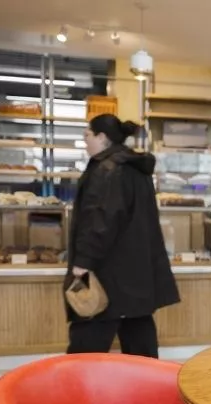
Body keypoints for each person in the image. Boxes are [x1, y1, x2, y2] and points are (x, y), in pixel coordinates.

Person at [65, 114, 179, 358]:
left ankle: (76, 389)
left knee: (88, 337)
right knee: (139, 334)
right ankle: (148, 389)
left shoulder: (107, 169)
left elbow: (100, 220)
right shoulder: (135, 168)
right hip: (136, 271)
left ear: (102, 137)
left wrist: (83, 261)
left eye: (87, 135)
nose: (85, 140)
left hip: (109, 272)